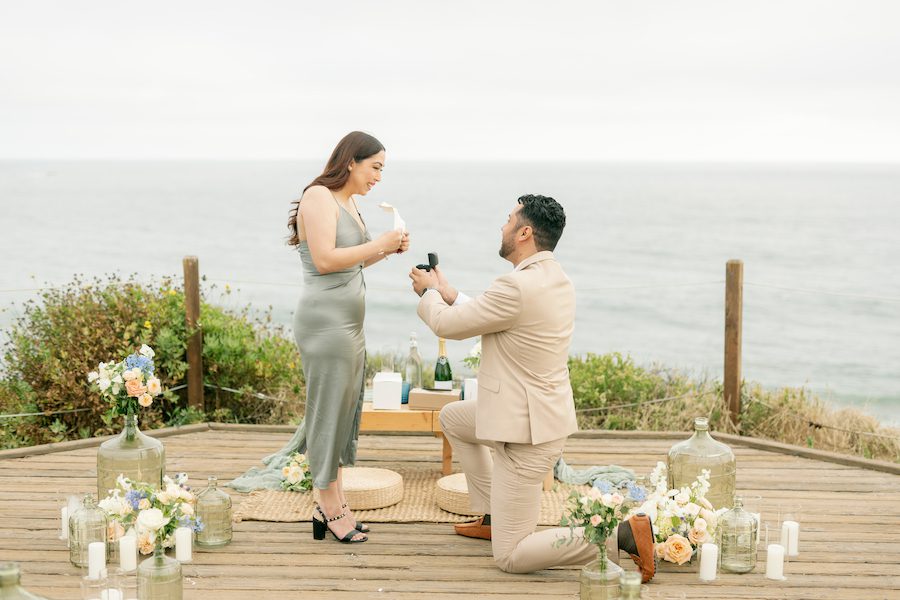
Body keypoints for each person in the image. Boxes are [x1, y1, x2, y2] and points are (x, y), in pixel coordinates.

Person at [408, 194, 656, 580]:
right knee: (455, 418)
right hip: (538, 415)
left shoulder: (516, 286)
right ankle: (493, 514)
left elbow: (448, 326)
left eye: (508, 220)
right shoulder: (555, 278)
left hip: (524, 435)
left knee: (511, 556)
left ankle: (619, 536)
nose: (502, 226)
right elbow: (496, 312)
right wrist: (449, 292)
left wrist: (428, 294)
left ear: (524, 232)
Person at [229, 131, 409, 544]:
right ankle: (329, 509)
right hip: (325, 325)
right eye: (375, 167)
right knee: (328, 416)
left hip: (350, 327)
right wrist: (377, 243)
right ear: (351, 161)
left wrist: (387, 250)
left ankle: (336, 504)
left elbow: (352, 266)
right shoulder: (318, 197)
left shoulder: (349, 203)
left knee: (344, 417)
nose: (379, 177)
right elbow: (326, 260)